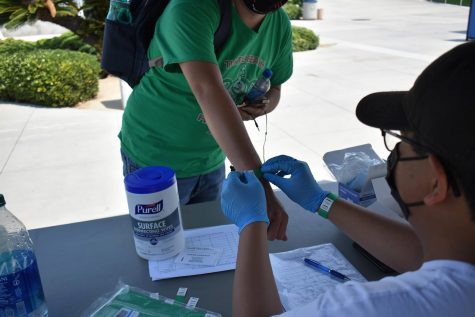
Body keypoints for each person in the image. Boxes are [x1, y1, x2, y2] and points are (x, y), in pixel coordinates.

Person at [220, 41, 475, 316]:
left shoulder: (376, 308)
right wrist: (321, 200)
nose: (394, 154)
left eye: (401, 140)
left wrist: (251, 225)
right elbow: (420, 255)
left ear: (436, 182)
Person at [119, 0, 293, 241]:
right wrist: (259, 184)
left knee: (207, 243)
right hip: (155, 156)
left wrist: (261, 106)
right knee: (161, 248)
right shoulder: (192, 7)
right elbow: (209, 91)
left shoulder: (279, 23)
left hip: (212, 157)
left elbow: (275, 87)